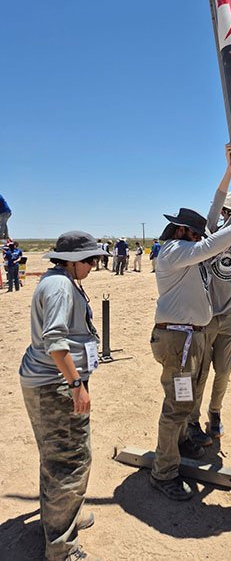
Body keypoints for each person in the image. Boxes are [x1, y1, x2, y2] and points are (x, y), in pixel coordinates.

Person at [149, 196, 231, 501]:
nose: (200, 240)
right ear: (181, 233)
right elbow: (209, 245)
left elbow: (213, 234)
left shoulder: (183, 253)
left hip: (189, 341)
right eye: (195, 234)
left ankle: (179, 444)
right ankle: (164, 472)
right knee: (177, 405)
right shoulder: (174, 251)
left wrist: (230, 173)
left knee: (185, 401)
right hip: (179, 344)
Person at [19, 231, 110, 561]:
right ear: (72, 261)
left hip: (52, 382)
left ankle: (61, 519)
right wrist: (76, 385)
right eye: (90, 260)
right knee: (69, 461)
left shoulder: (61, 281)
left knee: (58, 456)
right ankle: (61, 546)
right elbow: (55, 341)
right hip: (55, 385)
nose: (93, 266)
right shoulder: (59, 286)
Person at [189, 144, 231, 446]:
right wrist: (229, 169)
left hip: (227, 317)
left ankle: (215, 412)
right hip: (204, 317)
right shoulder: (211, 232)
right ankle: (193, 419)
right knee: (199, 374)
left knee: (223, 372)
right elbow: (216, 201)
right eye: (230, 210)